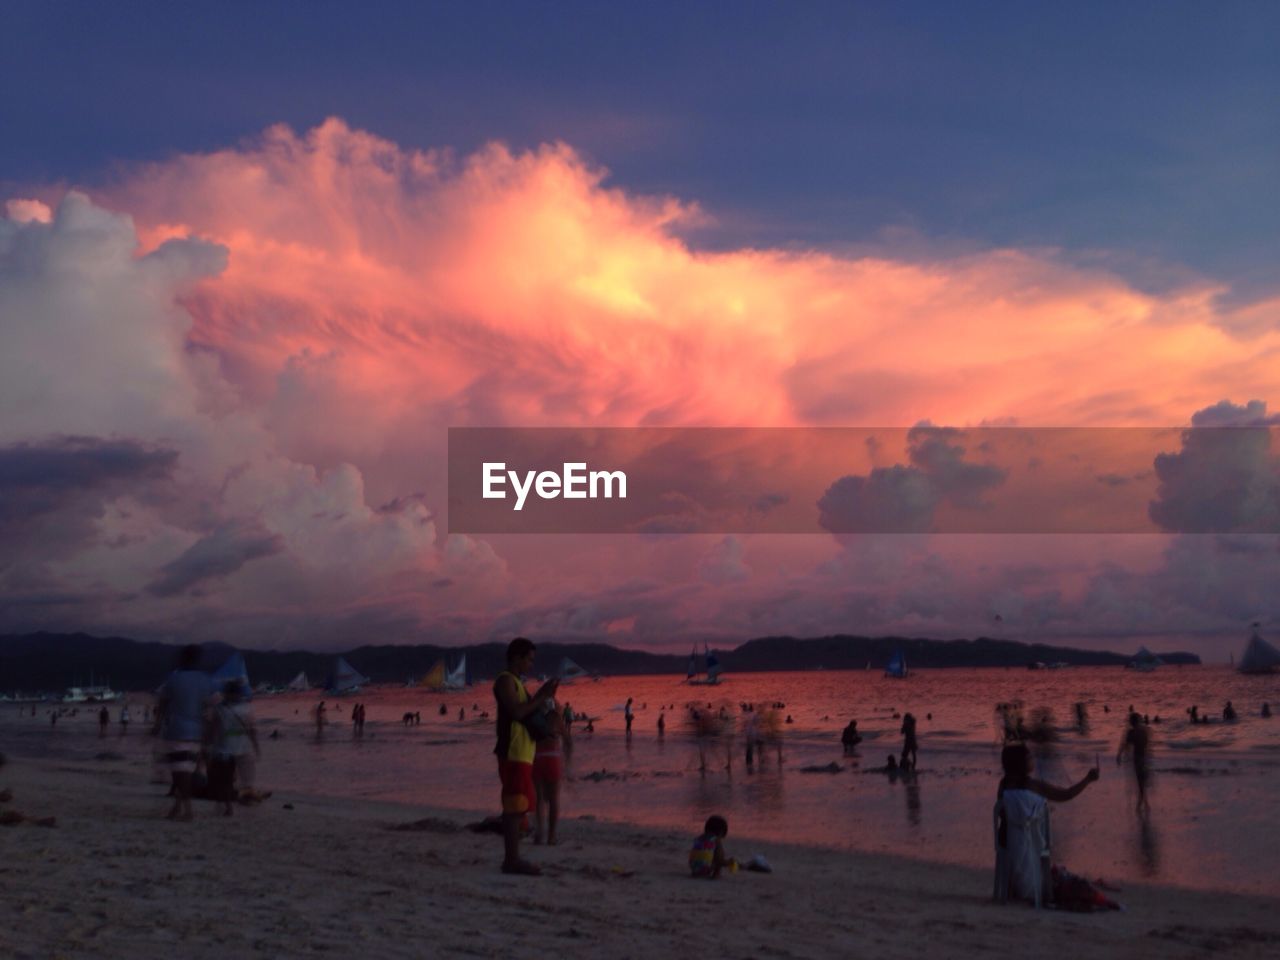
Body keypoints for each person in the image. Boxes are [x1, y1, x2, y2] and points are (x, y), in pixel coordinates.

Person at [995, 743, 1099, 905]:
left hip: (1005, 840)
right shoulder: (1034, 786)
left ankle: (1010, 889)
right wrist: (1088, 779)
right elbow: (1067, 794)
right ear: (1021, 763)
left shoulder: (1003, 785)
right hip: (1032, 842)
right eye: (1029, 757)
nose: (1033, 760)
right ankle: (1043, 892)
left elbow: (1002, 812)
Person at [493, 637, 558, 876]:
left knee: (518, 805)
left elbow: (533, 715)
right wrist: (540, 696)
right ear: (516, 658)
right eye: (529, 660)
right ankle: (511, 860)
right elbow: (517, 712)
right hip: (512, 752)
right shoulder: (505, 681)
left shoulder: (518, 684)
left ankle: (513, 858)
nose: (531, 665)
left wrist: (545, 699)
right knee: (514, 806)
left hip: (522, 753)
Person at [154, 644, 215, 822]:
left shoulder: (173, 679)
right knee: (185, 772)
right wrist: (209, 734)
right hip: (196, 733)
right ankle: (177, 808)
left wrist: (157, 725)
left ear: (182, 658)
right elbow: (208, 709)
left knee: (179, 774)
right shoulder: (205, 680)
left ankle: (188, 811)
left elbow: (163, 704)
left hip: (176, 731)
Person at [209, 680, 261, 815]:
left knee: (225, 779)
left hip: (224, 748)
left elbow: (212, 729)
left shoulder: (219, 708)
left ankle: (225, 805)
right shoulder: (247, 708)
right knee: (244, 778)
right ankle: (237, 802)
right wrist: (256, 747)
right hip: (242, 747)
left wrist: (207, 746)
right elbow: (252, 730)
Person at [533, 699, 572, 846]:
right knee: (554, 800)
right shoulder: (557, 720)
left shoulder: (535, 718)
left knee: (539, 800)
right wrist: (568, 761)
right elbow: (568, 741)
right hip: (553, 758)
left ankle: (539, 834)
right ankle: (551, 836)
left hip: (537, 758)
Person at [1116, 711, 1151, 813]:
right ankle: (1144, 803)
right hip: (1144, 758)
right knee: (1142, 782)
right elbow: (1146, 744)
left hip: (1137, 759)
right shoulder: (1143, 731)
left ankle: (1142, 804)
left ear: (1132, 722)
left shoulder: (1132, 732)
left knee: (1140, 782)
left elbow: (1125, 745)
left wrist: (1119, 755)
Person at [689, 814, 736, 879]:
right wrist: (728, 862)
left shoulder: (699, 838)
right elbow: (719, 860)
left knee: (707, 853)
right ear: (721, 832)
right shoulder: (715, 840)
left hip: (693, 867)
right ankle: (716, 874)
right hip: (706, 868)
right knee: (719, 854)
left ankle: (697, 872)